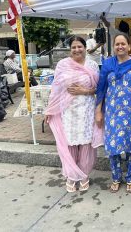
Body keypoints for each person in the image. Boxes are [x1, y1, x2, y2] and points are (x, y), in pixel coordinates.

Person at [44, 36, 102, 193]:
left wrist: (85, 91)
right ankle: (71, 175)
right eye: (73, 47)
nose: (77, 50)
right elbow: (55, 88)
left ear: (85, 48)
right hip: (68, 110)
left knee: (85, 143)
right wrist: (50, 109)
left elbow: (99, 88)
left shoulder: (93, 65)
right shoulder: (63, 65)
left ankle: (83, 175)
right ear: (70, 49)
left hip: (87, 109)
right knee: (70, 142)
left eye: (80, 46)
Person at [96, 33, 131, 193]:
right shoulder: (107, 64)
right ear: (114, 47)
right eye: (117, 44)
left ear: (129, 46)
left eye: (123, 43)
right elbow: (101, 90)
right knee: (113, 146)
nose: (120, 46)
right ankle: (116, 177)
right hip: (112, 113)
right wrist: (98, 111)